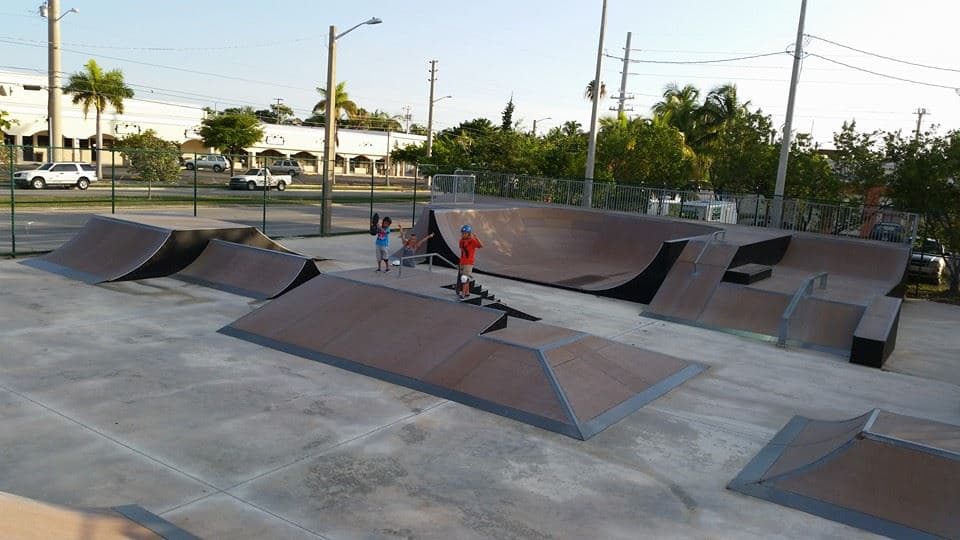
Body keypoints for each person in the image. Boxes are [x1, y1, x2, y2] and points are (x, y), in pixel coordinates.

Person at [458, 224, 482, 298]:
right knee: (465, 278)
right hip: (462, 262)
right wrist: (460, 262)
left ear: (469, 234)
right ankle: (467, 292)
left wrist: (476, 238)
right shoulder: (461, 241)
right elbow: (463, 252)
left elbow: (480, 246)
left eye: (465, 233)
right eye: (462, 233)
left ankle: (463, 294)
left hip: (469, 263)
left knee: (464, 278)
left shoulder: (472, 241)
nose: (463, 234)